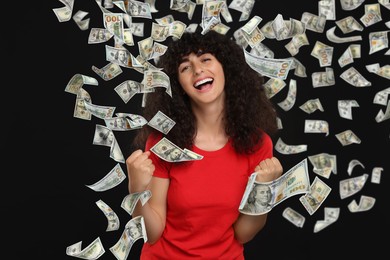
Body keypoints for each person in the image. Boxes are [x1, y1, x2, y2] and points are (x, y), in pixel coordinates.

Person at [125, 30, 283, 259]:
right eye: (185, 67)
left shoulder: (258, 144)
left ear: (226, 68)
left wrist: (263, 191)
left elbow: (243, 234)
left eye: (206, 59)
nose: (198, 70)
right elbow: (152, 233)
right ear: (177, 86)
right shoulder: (162, 144)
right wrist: (136, 191)